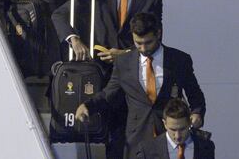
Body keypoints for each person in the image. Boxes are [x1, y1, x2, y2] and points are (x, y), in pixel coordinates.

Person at [75, 13, 206, 159]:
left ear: (158, 33)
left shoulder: (179, 60)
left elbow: (194, 93)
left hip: (170, 136)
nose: (143, 48)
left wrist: (197, 113)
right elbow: (109, 93)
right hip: (137, 138)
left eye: (148, 42)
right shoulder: (123, 62)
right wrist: (88, 106)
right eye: (138, 43)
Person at [137, 98, 215, 159]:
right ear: (164, 123)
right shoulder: (147, 150)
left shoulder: (206, 147)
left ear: (189, 122)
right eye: (173, 130)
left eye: (182, 129)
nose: (177, 136)